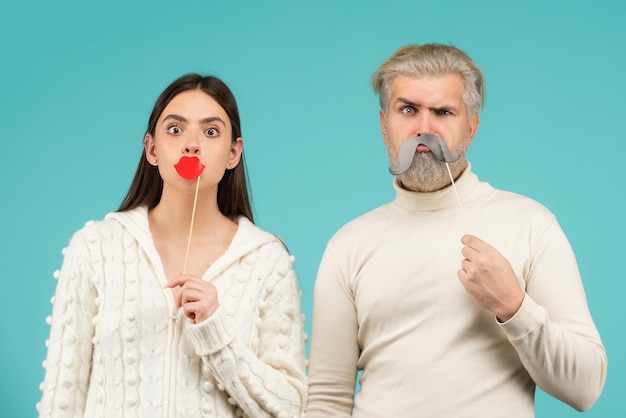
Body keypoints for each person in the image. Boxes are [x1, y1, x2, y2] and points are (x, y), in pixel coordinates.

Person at [306, 44, 607, 417]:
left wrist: (513, 306)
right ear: (385, 126)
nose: (424, 129)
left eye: (444, 112)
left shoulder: (531, 225)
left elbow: (586, 388)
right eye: (408, 110)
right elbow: (326, 402)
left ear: (472, 127)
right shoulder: (348, 245)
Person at [38, 74, 307, 417]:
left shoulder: (268, 260)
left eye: (211, 132)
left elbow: (291, 408)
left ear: (233, 153)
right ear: (151, 149)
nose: (191, 144)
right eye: (175, 129)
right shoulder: (95, 248)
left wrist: (215, 332)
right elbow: (62, 398)